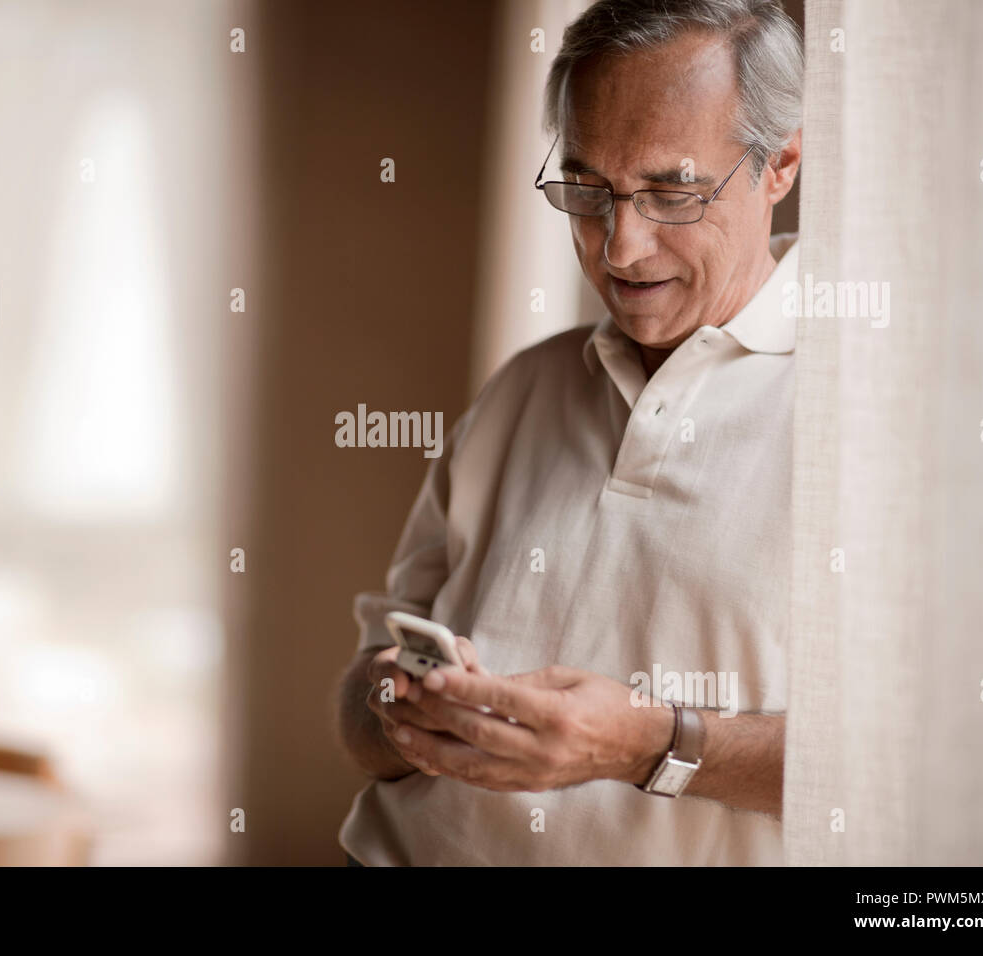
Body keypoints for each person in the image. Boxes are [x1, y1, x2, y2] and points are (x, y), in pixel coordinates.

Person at [336, 0, 804, 865]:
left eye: (672, 190)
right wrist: (403, 712)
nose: (621, 248)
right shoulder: (523, 386)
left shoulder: (867, 419)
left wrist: (645, 744)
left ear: (779, 164)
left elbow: (921, 771)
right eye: (588, 188)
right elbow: (360, 699)